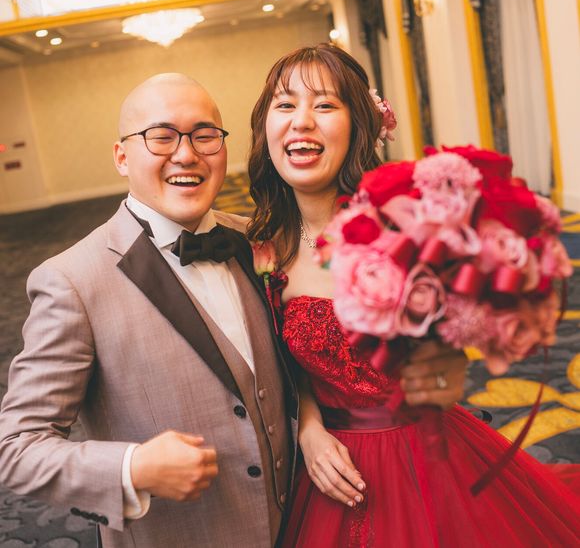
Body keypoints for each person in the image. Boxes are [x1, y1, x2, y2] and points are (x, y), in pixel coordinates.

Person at [247, 44, 580, 546]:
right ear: (265, 127)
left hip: (429, 452)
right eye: (286, 104)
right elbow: (280, 373)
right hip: (332, 465)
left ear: (359, 126)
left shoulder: (406, 223)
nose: (302, 121)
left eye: (325, 104)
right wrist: (308, 430)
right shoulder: (262, 250)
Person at [0, 73, 296, 548]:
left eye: (204, 135)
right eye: (161, 136)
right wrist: (131, 468)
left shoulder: (256, 239)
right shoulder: (72, 281)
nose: (186, 154)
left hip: (301, 525)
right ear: (122, 156)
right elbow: (16, 450)